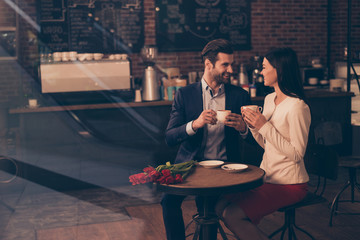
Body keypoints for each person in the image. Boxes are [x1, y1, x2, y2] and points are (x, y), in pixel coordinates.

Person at [215, 47, 311, 240]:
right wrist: (251, 125)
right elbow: (267, 143)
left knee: (232, 214)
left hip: (290, 184)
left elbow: (297, 154)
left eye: (265, 67)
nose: (261, 72)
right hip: (267, 178)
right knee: (218, 206)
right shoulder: (269, 99)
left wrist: (264, 125)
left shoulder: (298, 107)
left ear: (279, 70)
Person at [161, 39, 252, 240]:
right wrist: (195, 124)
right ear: (208, 64)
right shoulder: (184, 95)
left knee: (208, 208)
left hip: (227, 167)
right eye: (225, 65)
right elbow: (170, 137)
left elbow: (255, 141)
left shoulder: (240, 96)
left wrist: (243, 128)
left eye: (232, 64)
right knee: (168, 201)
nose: (231, 69)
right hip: (190, 166)